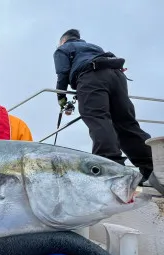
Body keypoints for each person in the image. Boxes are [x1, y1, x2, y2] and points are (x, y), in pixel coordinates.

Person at [53, 29, 154, 185]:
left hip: (90, 77)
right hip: (117, 76)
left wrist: (61, 97)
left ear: (63, 40)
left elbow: (63, 73)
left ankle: (110, 170)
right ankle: (153, 167)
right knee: (125, 123)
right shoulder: (94, 47)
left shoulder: (63, 48)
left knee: (99, 119)